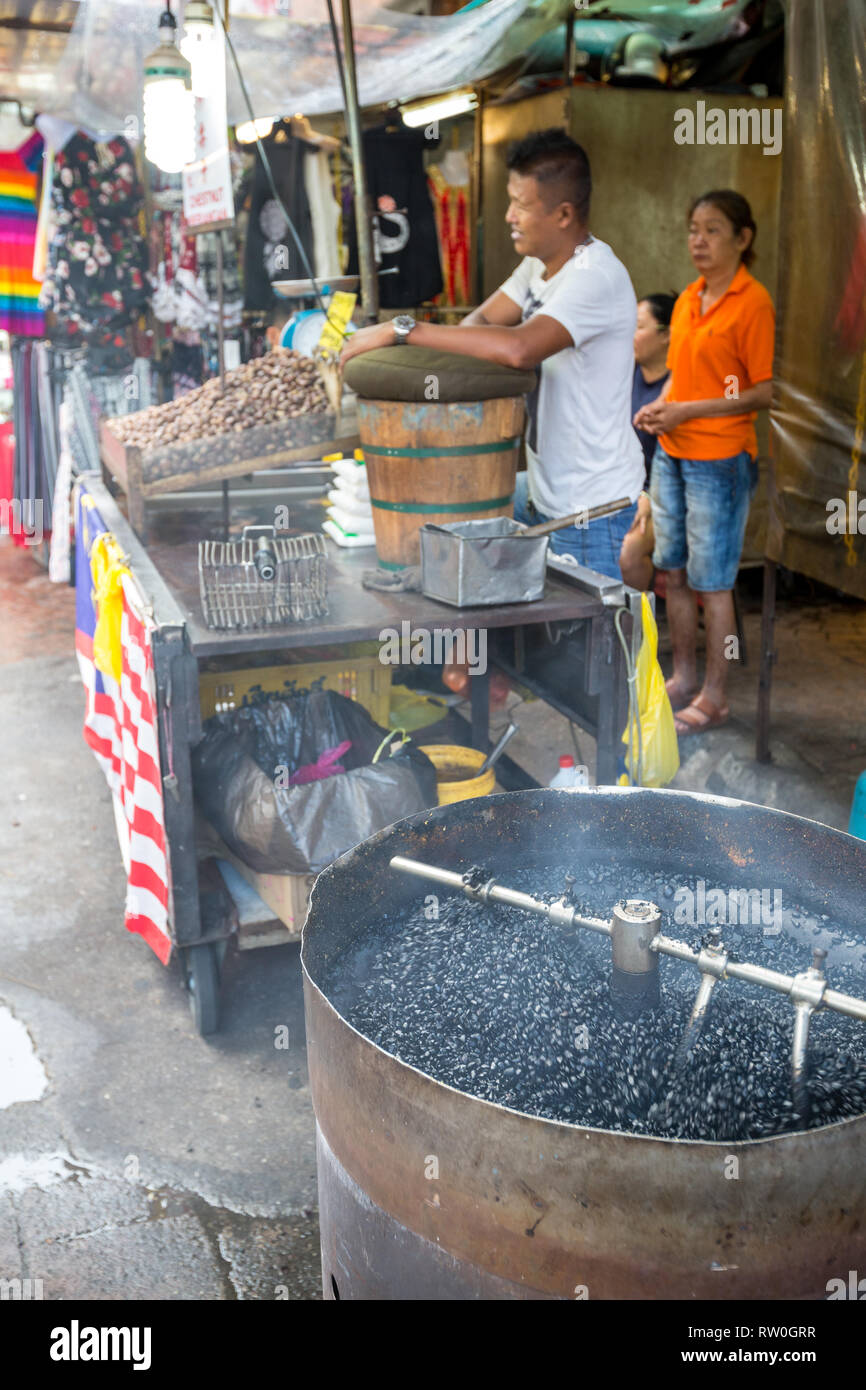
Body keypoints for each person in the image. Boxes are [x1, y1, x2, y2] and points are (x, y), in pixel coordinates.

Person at [341, 127, 644, 580]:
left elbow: (519, 348)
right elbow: (477, 326)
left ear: (563, 214)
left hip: (590, 511)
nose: (509, 216)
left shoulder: (594, 276)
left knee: (586, 648)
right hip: (544, 495)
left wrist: (402, 329)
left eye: (521, 205)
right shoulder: (537, 267)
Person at [633, 189, 774, 736]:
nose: (699, 239)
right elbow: (685, 373)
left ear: (743, 239)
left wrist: (687, 409)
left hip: (721, 459)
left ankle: (716, 695)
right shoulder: (690, 298)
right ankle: (684, 677)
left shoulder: (752, 301)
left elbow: (762, 391)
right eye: (693, 228)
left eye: (713, 229)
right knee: (674, 572)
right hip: (674, 453)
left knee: (714, 583)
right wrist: (664, 404)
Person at [619, 292, 676, 589]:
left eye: (639, 327)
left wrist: (648, 498)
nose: (631, 336)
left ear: (666, 335)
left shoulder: (679, 385)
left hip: (663, 495)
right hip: (620, 488)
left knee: (628, 552)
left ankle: (634, 631)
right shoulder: (624, 374)